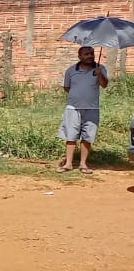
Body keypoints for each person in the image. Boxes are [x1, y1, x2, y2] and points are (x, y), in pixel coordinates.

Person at [57, 45, 108, 174]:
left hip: (92, 108)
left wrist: (99, 74)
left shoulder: (100, 68)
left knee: (87, 136)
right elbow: (66, 87)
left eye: (92, 54)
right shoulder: (71, 70)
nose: (90, 56)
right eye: (86, 54)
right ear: (79, 56)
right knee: (71, 136)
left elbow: (104, 85)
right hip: (72, 108)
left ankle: (83, 164)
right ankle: (68, 164)